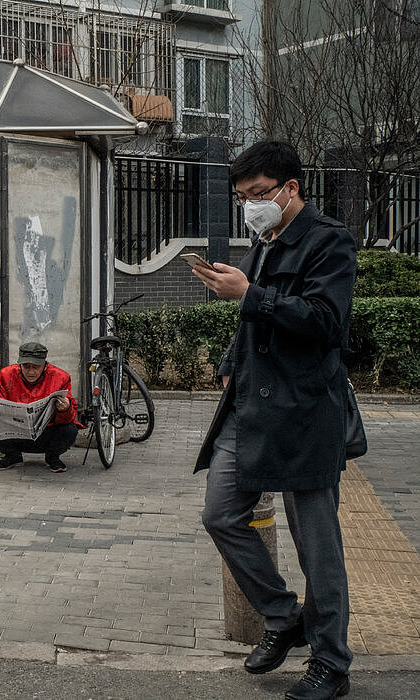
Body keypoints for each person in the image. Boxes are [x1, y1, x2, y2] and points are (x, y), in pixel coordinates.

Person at [192, 141, 355, 700]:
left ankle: (332, 662)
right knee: (220, 514)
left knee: (317, 545)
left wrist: (251, 294)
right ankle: (284, 617)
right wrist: (229, 363)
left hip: (305, 412)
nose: (252, 207)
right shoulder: (265, 241)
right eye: (243, 198)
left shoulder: (328, 240)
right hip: (250, 405)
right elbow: (251, 321)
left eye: (259, 195)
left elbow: (326, 323)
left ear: (291, 188)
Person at [0, 342, 82, 473]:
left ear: (45, 366)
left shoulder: (60, 377)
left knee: (70, 429)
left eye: (36, 367)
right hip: (16, 434)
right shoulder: (7, 374)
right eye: (26, 367)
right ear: (19, 364)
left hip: (46, 434)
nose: (31, 372)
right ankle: (13, 456)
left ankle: (53, 457)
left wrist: (65, 409)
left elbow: (70, 415)